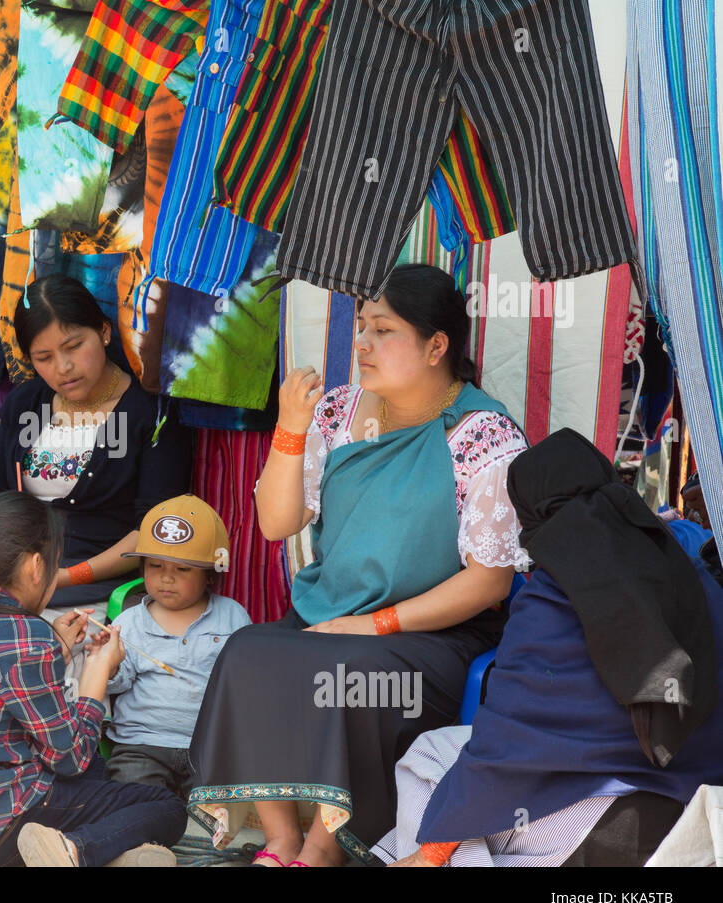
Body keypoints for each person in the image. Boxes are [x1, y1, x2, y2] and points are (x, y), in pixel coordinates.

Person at [187, 263, 531, 867]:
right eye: (363, 326)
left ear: (436, 346)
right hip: (329, 617)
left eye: (384, 330)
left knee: (344, 677)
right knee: (247, 651)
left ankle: (324, 850)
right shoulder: (339, 413)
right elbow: (276, 523)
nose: (363, 343)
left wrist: (375, 624)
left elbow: (489, 582)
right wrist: (289, 430)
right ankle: (281, 842)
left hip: (430, 637)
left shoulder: (482, 434)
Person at [378, 429, 723, 867]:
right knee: (445, 768)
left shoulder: (552, 598)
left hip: (605, 824)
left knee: (431, 768)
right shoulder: (693, 573)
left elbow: (504, 746)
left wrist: (433, 851)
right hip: (695, 803)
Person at [0, 492, 188, 867]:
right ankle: (75, 850)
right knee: (166, 807)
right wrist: (96, 671)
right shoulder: (24, 634)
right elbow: (71, 758)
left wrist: (56, 649)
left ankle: (102, 849)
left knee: (95, 774)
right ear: (35, 565)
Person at [0, 274, 192, 613]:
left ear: (104, 332)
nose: (63, 367)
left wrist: (67, 577)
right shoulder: (24, 404)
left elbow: (152, 530)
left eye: (74, 346)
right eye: (44, 357)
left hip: (100, 591)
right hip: (16, 581)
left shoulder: (151, 415)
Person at [101, 495, 252, 798]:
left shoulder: (232, 616)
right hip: (141, 745)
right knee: (134, 800)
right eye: (155, 565)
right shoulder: (129, 621)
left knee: (218, 808)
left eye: (182, 569)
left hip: (210, 745)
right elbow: (116, 684)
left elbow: (244, 683)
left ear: (210, 574)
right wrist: (109, 662)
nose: (166, 577)